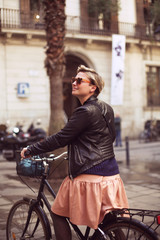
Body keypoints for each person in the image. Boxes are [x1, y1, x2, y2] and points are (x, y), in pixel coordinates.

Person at [21, 65, 129, 240]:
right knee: (109, 220)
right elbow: (106, 137)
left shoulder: (84, 111)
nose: (74, 83)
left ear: (93, 87)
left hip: (90, 176)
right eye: (73, 80)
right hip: (111, 176)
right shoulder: (107, 108)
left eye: (79, 80)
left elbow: (60, 139)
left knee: (58, 213)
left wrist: (30, 150)